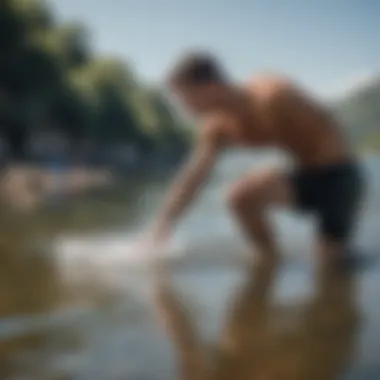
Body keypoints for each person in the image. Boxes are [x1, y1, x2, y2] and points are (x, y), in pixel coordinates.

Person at [149, 51, 363, 266]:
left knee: (330, 266)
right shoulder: (217, 127)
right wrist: (164, 223)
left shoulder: (272, 95)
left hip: (340, 178)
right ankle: (270, 259)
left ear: (210, 87)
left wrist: (271, 171)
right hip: (306, 177)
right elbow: (194, 175)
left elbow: (325, 126)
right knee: (240, 197)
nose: (183, 107)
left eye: (184, 97)